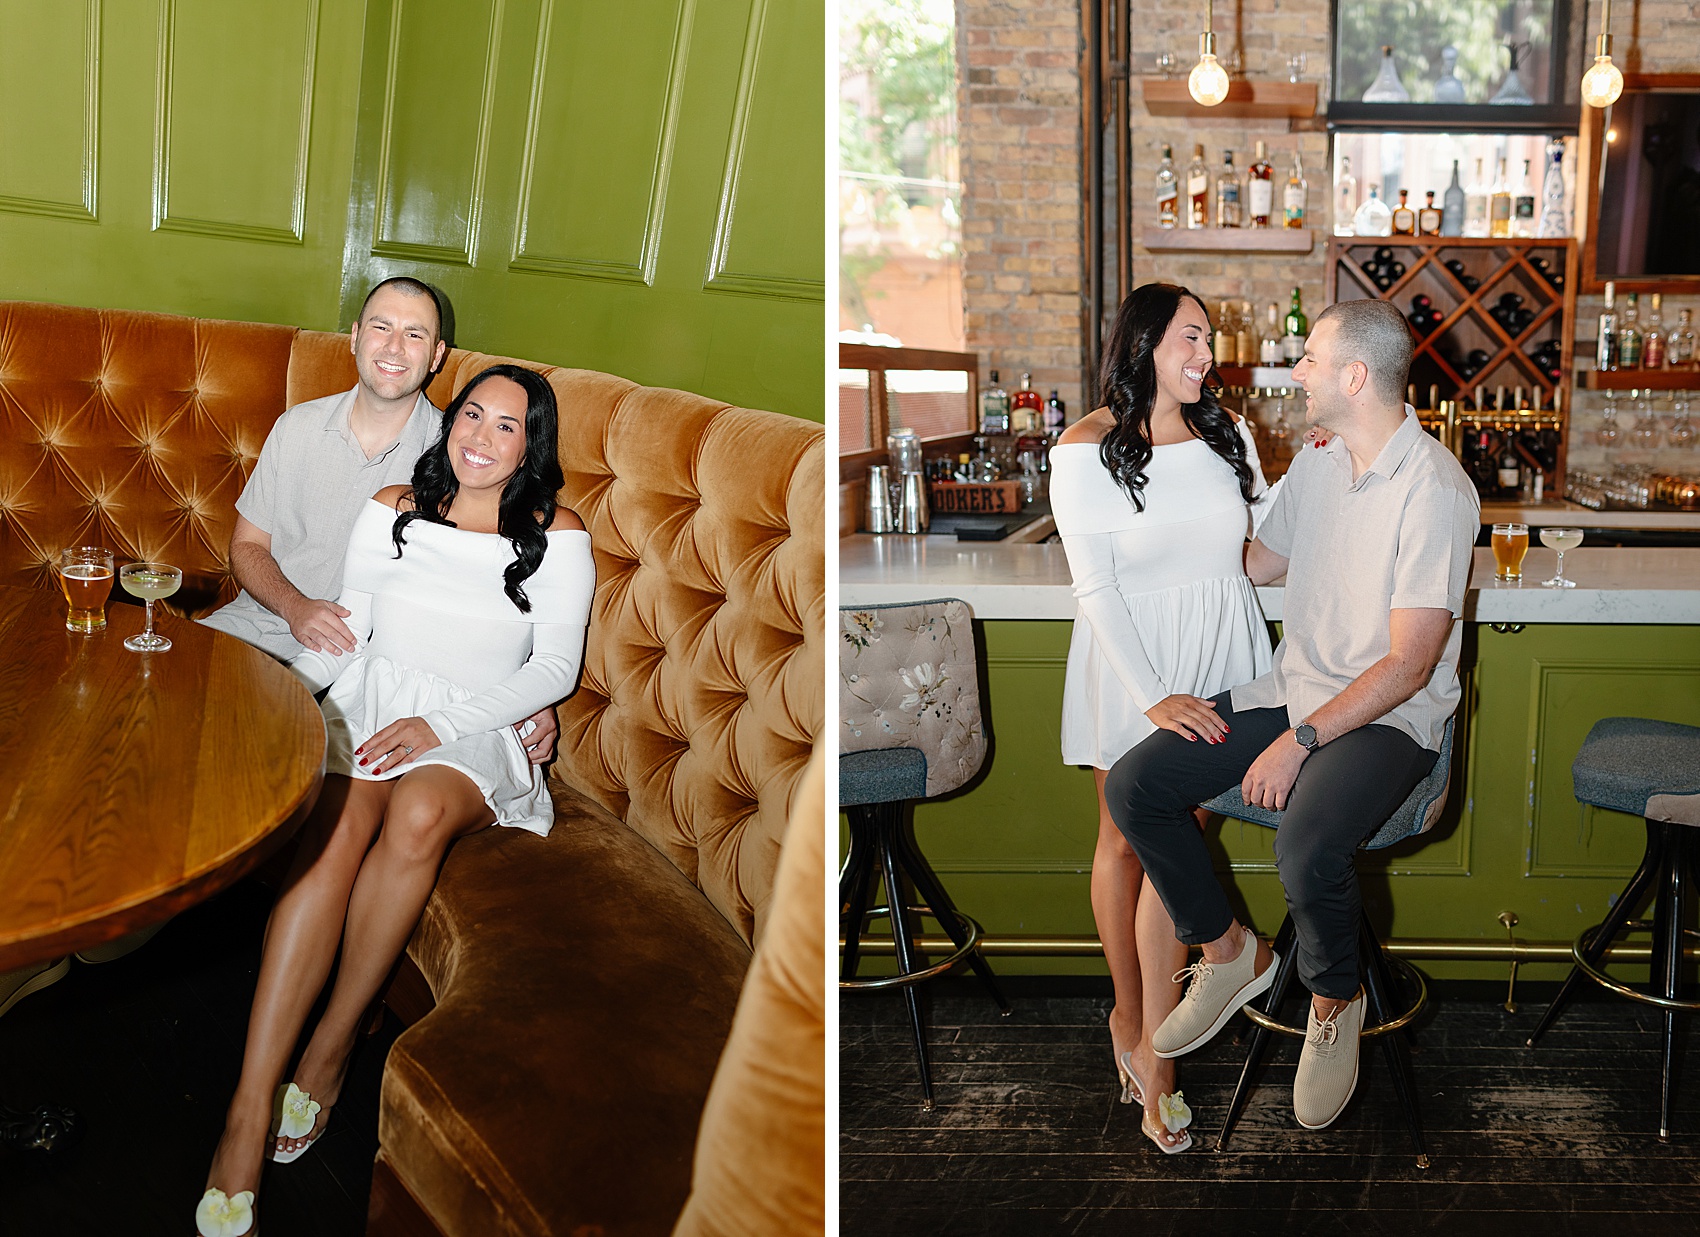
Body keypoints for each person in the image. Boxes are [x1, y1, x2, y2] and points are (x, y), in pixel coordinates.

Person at [195, 365, 595, 1236]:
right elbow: (352, 632)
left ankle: (332, 1046)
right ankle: (248, 1105)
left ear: (533, 445)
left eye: (507, 427)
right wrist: (289, 710)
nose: (481, 438)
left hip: (477, 724)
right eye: (471, 416)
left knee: (414, 812)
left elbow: (553, 669)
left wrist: (437, 725)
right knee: (333, 835)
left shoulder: (557, 531)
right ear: (449, 423)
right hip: (375, 697)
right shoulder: (393, 505)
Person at [1105, 298, 1478, 1133]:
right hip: (1294, 693)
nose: (1295, 370)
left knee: (1303, 839)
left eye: (1310, 358)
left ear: (1355, 374)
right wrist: (1151, 502)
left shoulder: (1435, 488)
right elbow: (1255, 560)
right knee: (1137, 784)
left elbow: (1410, 661)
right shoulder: (1318, 464)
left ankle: (1332, 1000)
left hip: (1391, 719)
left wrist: (1298, 741)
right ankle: (1231, 950)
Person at [1049, 283, 1275, 1154]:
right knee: (1124, 845)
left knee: (1176, 852)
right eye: (1191, 335)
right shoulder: (1086, 448)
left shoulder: (1230, 432)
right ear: (1143, 341)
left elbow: (1253, 550)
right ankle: (1135, 1022)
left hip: (1225, 655)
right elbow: (1095, 586)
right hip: (1132, 660)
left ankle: (1153, 1045)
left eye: (1210, 338)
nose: (1206, 352)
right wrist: (1151, 695)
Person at [202, 276, 559, 761]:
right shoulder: (297, 427)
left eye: (414, 334)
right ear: (355, 337)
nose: (395, 346)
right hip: (250, 630)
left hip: (359, 669)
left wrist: (526, 692)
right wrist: (295, 607)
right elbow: (246, 546)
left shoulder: (460, 455)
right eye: (382, 326)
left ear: (436, 356)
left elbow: (507, 575)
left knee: (245, 749)